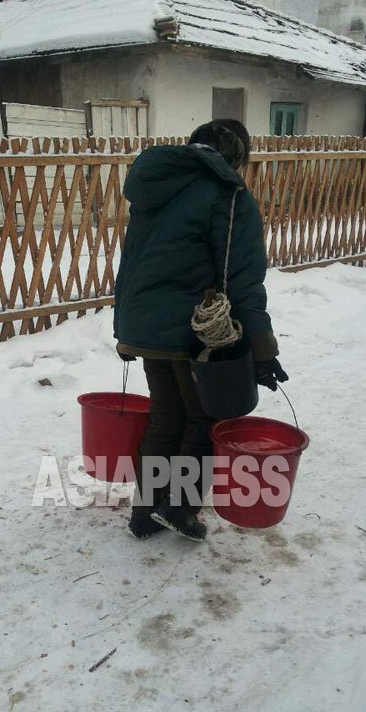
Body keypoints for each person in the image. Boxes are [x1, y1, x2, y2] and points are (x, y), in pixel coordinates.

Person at [113, 119, 287, 542]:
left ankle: (145, 511)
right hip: (196, 328)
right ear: (235, 157)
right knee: (206, 418)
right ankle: (180, 507)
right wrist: (260, 347)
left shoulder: (155, 184)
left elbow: (135, 258)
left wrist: (127, 326)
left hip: (146, 324)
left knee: (165, 416)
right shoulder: (227, 195)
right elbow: (242, 278)